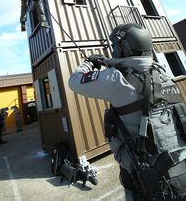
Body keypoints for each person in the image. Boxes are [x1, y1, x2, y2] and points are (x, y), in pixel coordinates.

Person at [69, 23, 186, 200]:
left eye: (116, 46)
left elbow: (74, 81)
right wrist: (110, 62)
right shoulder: (164, 75)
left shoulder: (115, 79)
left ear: (124, 47)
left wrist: (88, 63)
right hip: (180, 169)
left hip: (146, 180)